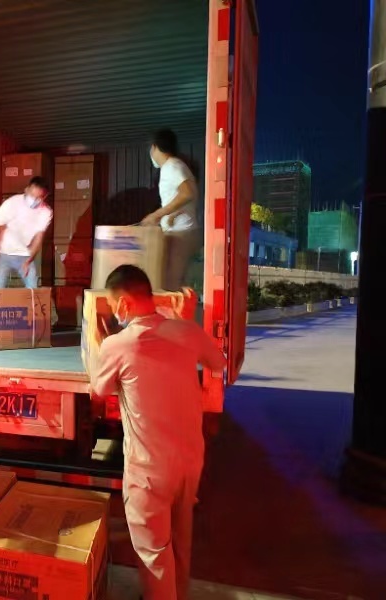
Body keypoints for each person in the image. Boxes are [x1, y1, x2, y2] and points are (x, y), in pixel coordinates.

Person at [90, 265, 225, 600]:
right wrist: (186, 321)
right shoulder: (186, 331)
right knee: (180, 540)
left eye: (114, 305)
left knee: (153, 552)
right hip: (189, 461)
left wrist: (97, 344)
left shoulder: (118, 344)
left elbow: (98, 391)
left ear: (123, 304)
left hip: (148, 468)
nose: (115, 312)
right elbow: (218, 362)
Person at [141, 129, 201, 291]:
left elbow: (188, 193)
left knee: (171, 286)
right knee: (175, 284)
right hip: (182, 232)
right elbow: (188, 196)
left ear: (155, 147)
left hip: (180, 234)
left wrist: (157, 214)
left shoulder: (172, 166)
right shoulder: (176, 166)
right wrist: (172, 214)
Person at [0, 176, 53, 288]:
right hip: (5, 253)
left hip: (25, 255)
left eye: (38, 197)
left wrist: (29, 260)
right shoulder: (11, 203)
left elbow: (38, 238)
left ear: (44, 197)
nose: (33, 200)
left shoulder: (45, 212)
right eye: (32, 195)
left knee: (33, 290)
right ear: (26, 189)